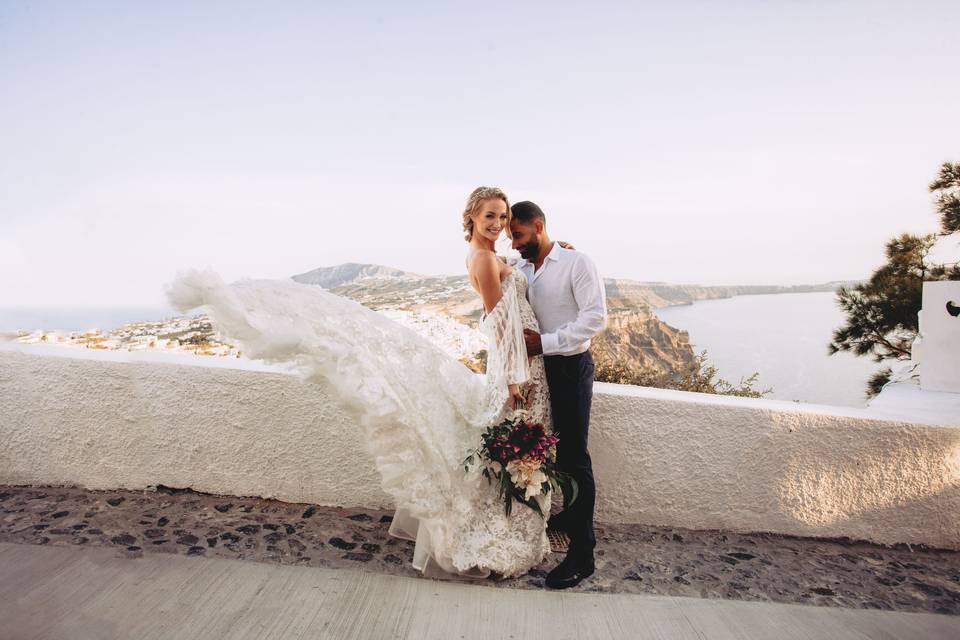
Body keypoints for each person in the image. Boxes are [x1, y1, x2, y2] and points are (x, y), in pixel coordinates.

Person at [163, 186, 555, 580]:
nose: (498, 223)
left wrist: (551, 250)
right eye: (490, 215)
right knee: (512, 446)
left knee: (505, 448)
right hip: (516, 368)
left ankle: (498, 525)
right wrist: (513, 381)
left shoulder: (488, 255)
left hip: (521, 363)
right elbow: (500, 325)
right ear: (471, 217)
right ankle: (491, 534)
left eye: (503, 217)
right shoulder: (485, 261)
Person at [509, 200, 607, 589]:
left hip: (568, 367)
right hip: (535, 371)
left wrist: (544, 344)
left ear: (538, 225)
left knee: (574, 456)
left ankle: (583, 553)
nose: (514, 244)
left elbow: (595, 318)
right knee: (546, 451)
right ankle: (567, 516)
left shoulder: (577, 262)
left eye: (518, 235)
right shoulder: (521, 265)